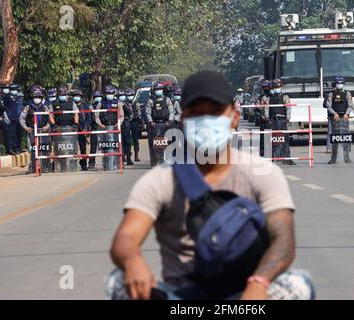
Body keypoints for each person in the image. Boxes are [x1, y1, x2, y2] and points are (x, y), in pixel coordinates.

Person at [106, 70, 314, 301]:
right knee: (118, 281)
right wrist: (133, 261)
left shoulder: (263, 173)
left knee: (298, 284)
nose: (206, 121)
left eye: (215, 112)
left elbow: (283, 242)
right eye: (196, 114)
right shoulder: (160, 179)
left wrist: (260, 282)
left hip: (246, 294)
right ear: (183, 120)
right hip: (181, 296)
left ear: (234, 117)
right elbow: (125, 239)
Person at [19, 86, 51, 174]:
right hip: (32, 132)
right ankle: (33, 167)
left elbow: (50, 118)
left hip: (43, 131)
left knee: (44, 149)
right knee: (33, 150)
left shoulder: (45, 107)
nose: (37, 99)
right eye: (35, 97)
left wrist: (47, 126)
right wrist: (26, 127)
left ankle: (45, 167)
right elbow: (21, 118)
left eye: (39, 97)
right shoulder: (28, 107)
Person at [264, 79, 295, 165]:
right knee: (272, 140)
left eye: (277, 87)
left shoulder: (285, 97)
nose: (276, 88)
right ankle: (272, 158)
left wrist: (288, 118)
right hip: (272, 120)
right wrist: (267, 117)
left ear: (281, 87)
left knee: (285, 140)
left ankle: (286, 158)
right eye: (274, 87)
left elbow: (288, 108)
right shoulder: (269, 98)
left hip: (282, 120)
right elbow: (266, 108)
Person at [50, 87, 80, 172]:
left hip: (70, 128)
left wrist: (76, 124)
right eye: (60, 95)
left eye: (64, 94)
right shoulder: (54, 103)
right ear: (58, 95)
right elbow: (50, 115)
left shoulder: (71, 102)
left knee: (72, 148)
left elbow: (76, 113)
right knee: (60, 149)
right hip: (59, 128)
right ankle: (62, 167)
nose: (62, 96)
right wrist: (54, 125)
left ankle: (73, 167)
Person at [95, 85, 124, 171]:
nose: (109, 95)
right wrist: (100, 124)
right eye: (108, 93)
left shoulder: (117, 103)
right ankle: (106, 164)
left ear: (114, 93)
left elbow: (122, 116)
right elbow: (96, 115)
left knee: (116, 146)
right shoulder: (101, 103)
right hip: (104, 128)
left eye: (111, 93)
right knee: (106, 147)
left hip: (115, 128)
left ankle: (116, 164)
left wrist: (118, 123)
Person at [145, 82, 174, 167]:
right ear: (154, 90)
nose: (159, 91)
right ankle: (157, 162)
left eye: (160, 89)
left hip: (166, 124)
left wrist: (170, 120)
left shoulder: (167, 99)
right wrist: (151, 122)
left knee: (167, 144)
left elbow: (171, 111)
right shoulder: (151, 100)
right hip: (155, 125)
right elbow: (148, 113)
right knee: (157, 145)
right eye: (157, 89)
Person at [326, 76, 353, 164]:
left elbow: (350, 105)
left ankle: (347, 158)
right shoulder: (331, 94)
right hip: (335, 119)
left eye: (341, 83)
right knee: (335, 139)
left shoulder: (347, 93)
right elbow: (328, 106)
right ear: (335, 84)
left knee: (345, 138)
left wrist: (347, 113)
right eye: (338, 83)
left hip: (344, 118)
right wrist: (334, 113)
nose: (340, 85)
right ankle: (333, 159)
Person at [72, 89, 91, 171]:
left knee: (83, 148)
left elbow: (88, 118)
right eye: (75, 96)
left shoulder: (85, 106)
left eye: (78, 96)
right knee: (72, 148)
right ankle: (72, 164)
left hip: (83, 130)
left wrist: (86, 128)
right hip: (73, 130)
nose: (77, 97)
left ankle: (83, 164)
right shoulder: (70, 105)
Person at [2, 84, 24, 155]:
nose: (15, 91)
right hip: (11, 118)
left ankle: (18, 148)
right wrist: (6, 117)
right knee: (12, 135)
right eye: (13, 90)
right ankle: (11, 149)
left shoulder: (17, 97)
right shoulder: (7, 97)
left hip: (19, 118)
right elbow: (3, 107)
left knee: (19, 134)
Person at [88, 91, 103, 169]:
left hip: (104, 127)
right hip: (94, 128)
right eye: (96, 96)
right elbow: (89, 118)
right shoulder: (91, 107)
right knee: (93, 146)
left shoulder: (104, 105)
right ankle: (91, 162)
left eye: (99, 96)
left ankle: (107, 160)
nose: (98, 98)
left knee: (105, 145)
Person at [126, 88, 141, 163]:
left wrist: (141, 124)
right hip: (127, 122)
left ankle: (136, 155)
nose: (130, 96)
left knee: (136, 140)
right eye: (128, 95)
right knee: (127, 140)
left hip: (135, 122)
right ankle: (127, 156)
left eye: (131, 95)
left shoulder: (136, 103)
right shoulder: (124, 104)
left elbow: (139, 114)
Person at [258, 80, 273, 157]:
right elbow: (257, 108)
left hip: (272, 119)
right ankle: (262, 152)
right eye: (264, 87)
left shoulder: (273, 96)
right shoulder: (260, 97)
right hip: (263, 120)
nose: (266, 89)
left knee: (273, 137)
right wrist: (261, 115)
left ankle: (272, 153)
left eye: (267, 87)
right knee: (263, 138)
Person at [120, 89, 134, 166]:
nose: (122, 97)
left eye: (123, 95)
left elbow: (130, 113)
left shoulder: (127, 104)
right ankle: (121, 159)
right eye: (120, 96)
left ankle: (129, 158)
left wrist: (124, 106)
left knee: (127, 142)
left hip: (126, 124)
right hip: (118, 124)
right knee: (119, 142)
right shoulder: (115, 103)